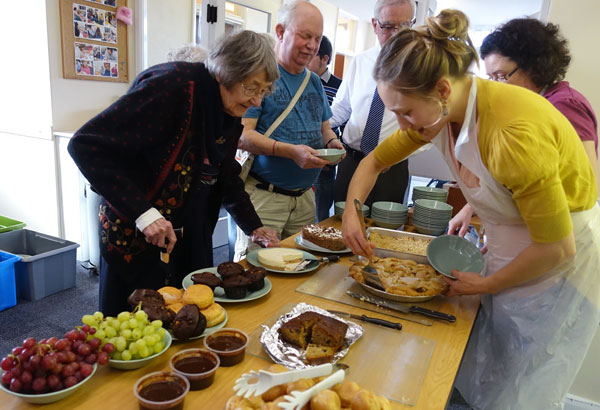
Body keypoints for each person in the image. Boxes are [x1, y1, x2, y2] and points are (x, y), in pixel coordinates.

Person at [341, 9, 600, 410]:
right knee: (488, 367)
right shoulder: (440, 114)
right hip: (514, 244)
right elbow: (373, 161)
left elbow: (556, 247)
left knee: (526, 379)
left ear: (443, 90)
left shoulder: (512, 132)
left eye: (406, 112)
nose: (402, 124)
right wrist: (350, 212)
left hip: (560, 267)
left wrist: (487, 284)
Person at [68, 30, 280, 316]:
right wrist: (145, 213)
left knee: (189, 316)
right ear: (228, 71)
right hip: (135, 232)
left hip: (186, 235)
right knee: (132, 322)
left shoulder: (228, 108)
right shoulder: (172, 86)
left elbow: (225, 173)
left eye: (263, 91)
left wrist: (253, 226)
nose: (256, 101)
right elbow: (85, 145)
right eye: (252, 88)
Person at [233, 0, 345, 261]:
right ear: (281, 32)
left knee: (300, 269)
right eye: (305, 35)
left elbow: (324, 126)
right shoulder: (261, 75)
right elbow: (242, 135)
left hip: (306, 198)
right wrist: (289, 152)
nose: (312, 45)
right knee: (255, 272)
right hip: (264, 199)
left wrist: (333, 142)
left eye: (317, 38)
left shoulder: (314, 81)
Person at [480, 18, 598, 177]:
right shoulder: (532, 104)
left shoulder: (564, 104)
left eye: (501, 76)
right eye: (491, 78)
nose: (495, 86)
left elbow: (587, 178)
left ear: (531, 65)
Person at [330, 0, 415, 209]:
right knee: (340, 227)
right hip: (351, 162)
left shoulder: (420, 68)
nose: (396, 34)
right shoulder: (360, 62)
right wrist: (314, 128)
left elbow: (428, 127)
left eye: (404, 27)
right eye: (388, 26)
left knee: (383, 234)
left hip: (391, 168)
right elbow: (340, 109)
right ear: (375, 24)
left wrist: (396, 153)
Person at [307, 35, 342, 222]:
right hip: (301, 157)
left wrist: (334, 150)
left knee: (320, 213)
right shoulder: (302, 82)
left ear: (324, 59)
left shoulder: (339, 86)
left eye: (312, 55)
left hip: (326, 164)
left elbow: (343, 124)